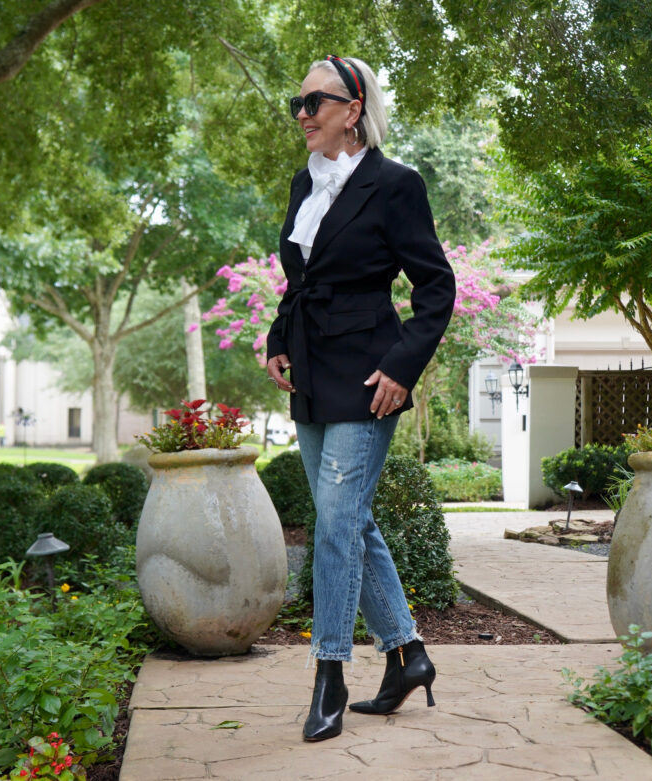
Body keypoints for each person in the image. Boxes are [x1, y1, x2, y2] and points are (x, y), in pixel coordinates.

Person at [265, 55, 455, 742]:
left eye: (315, 102)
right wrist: (276, 337)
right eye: (298, 102)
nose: (302, 115)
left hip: (372, 378)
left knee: (336, 523)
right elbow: (299, 281)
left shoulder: (395, 185)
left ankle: (331, 674)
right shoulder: (303, 185)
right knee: (347, 518)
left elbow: (436, 287)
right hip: (313, 374)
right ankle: (408, 655)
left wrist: (404, 367)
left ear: (353, 107)